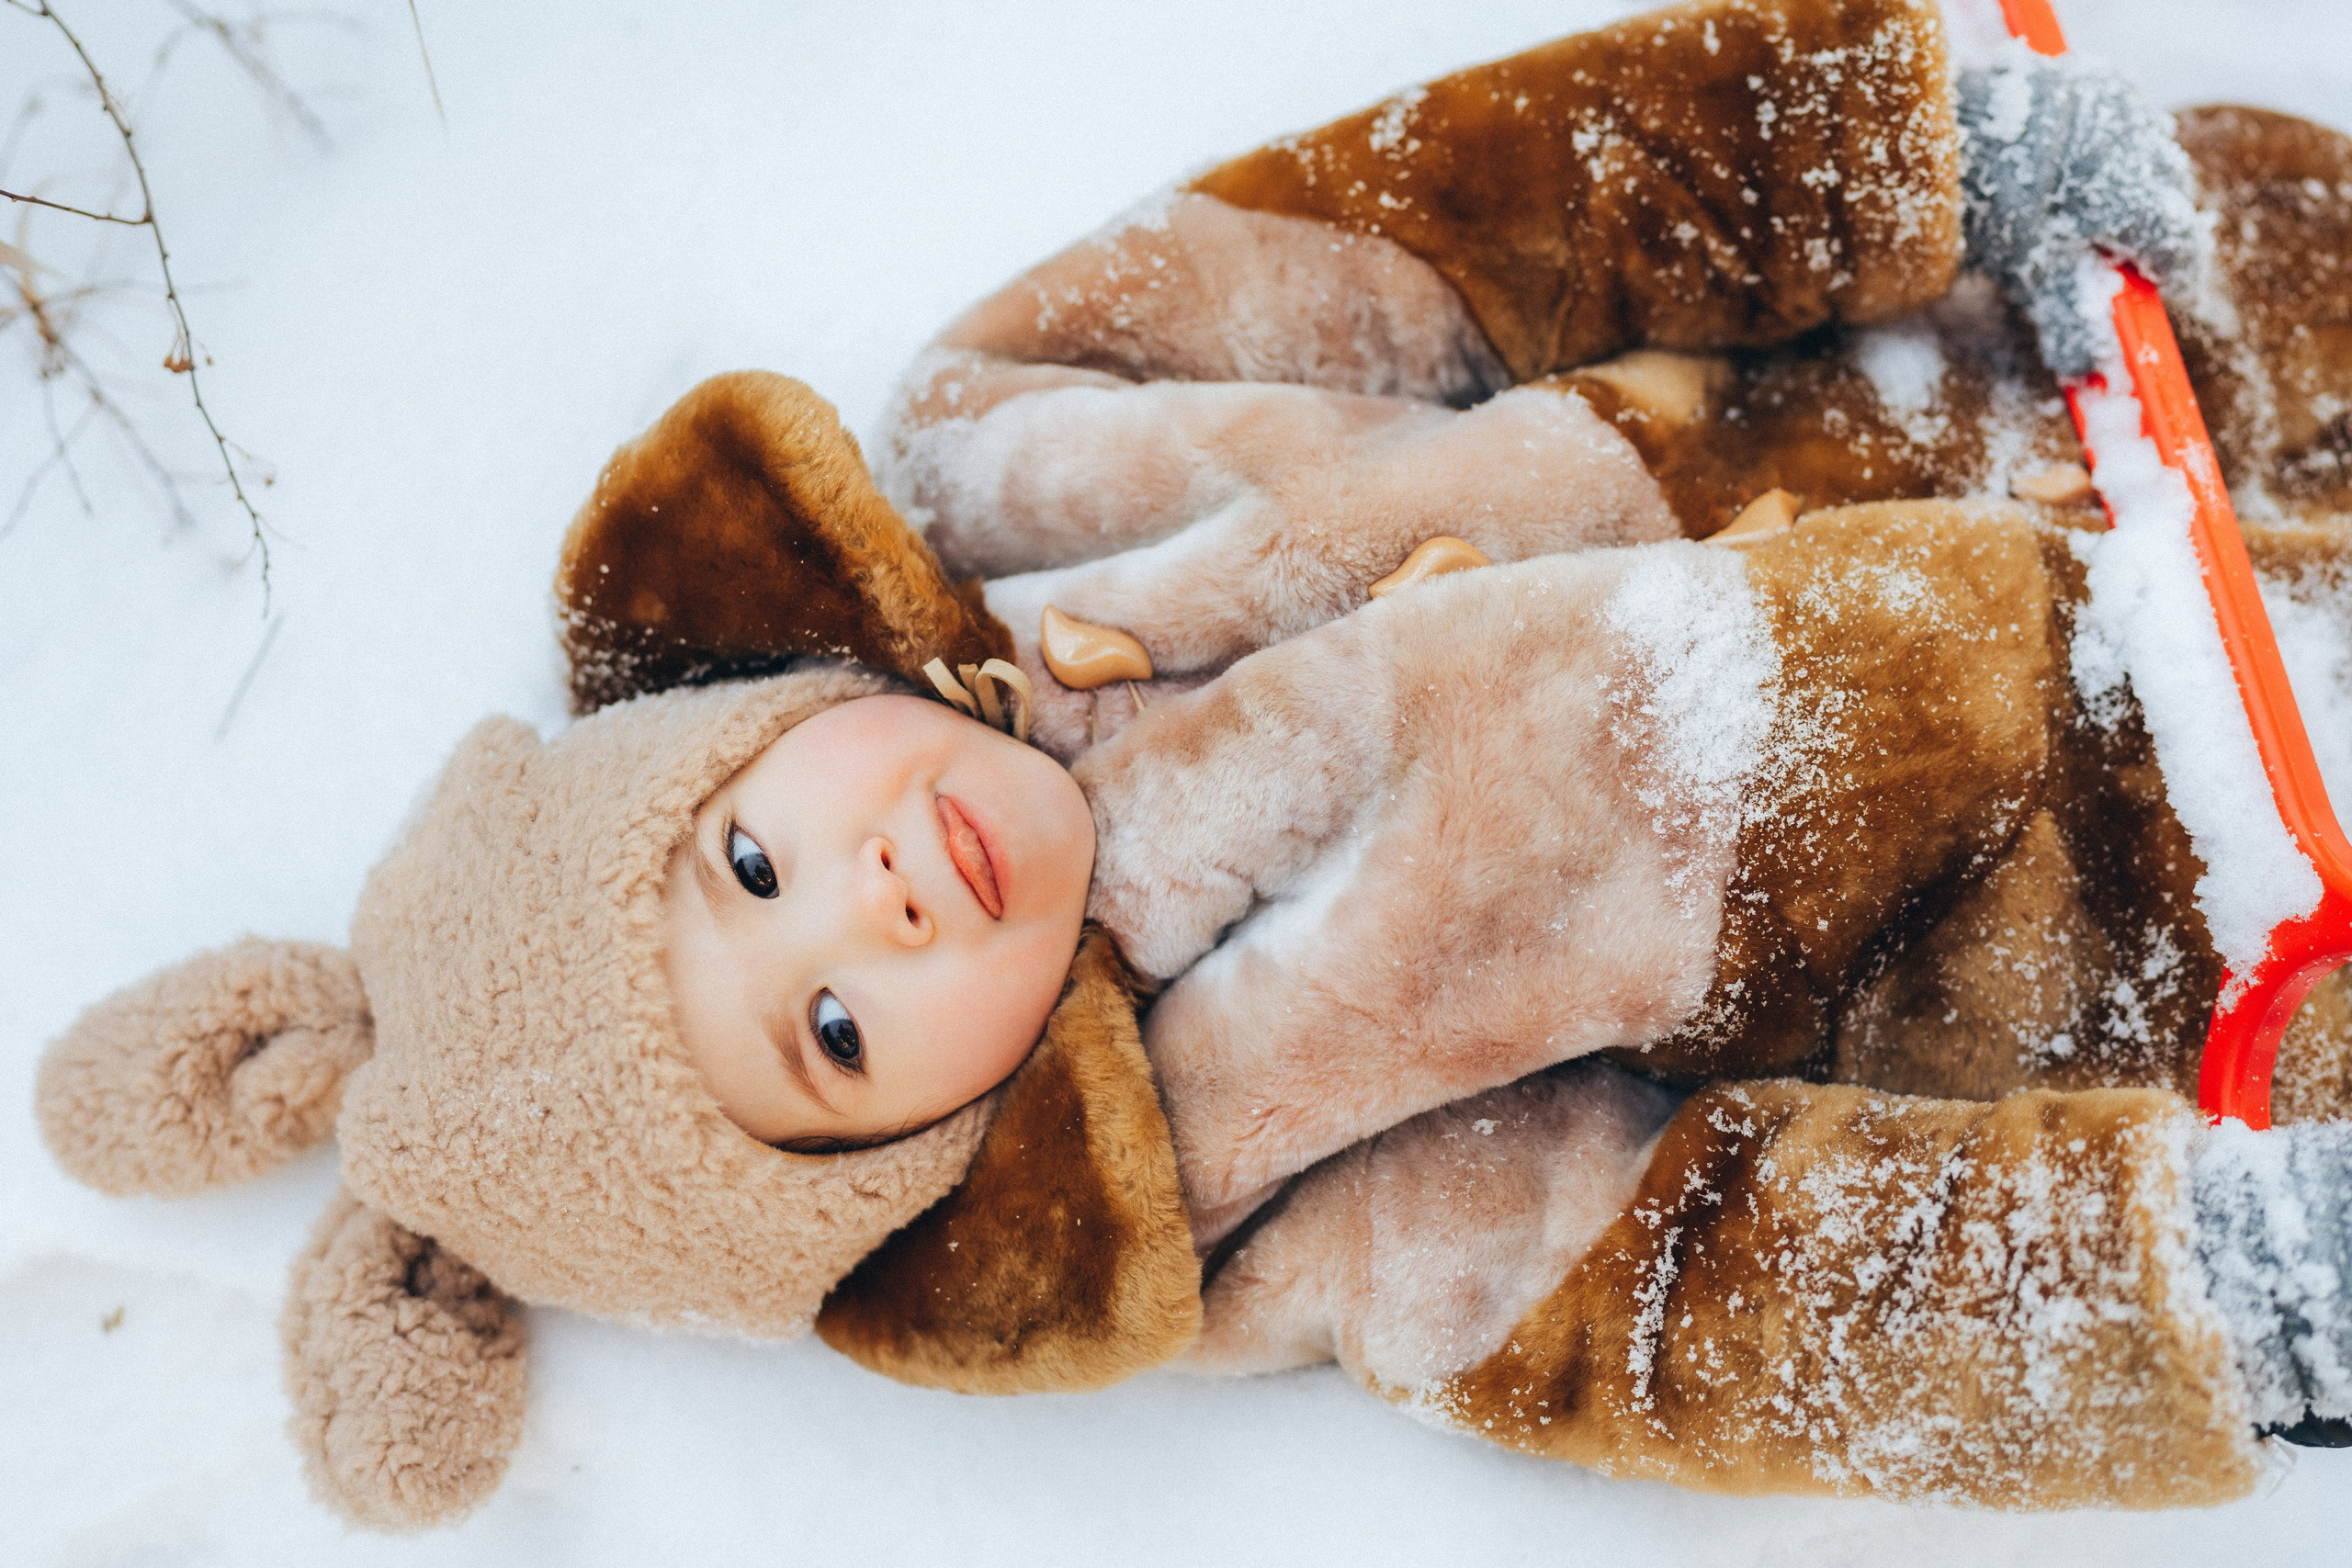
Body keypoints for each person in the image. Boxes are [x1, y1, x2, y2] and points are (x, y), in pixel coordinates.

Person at [34, 0, 2352, 1530]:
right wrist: (2195, 1285)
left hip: (2073, 359)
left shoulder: (1004, 454)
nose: (877, 898)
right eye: (829, 1029)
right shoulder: (1236, 1181)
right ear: (870, 1173)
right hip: (2171, 882)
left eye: (747, 854)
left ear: (717, 725)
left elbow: (1448, 217)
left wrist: (1898, 158)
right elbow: (1684, 1289)